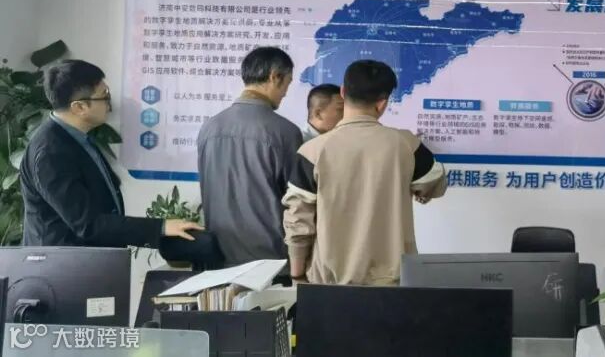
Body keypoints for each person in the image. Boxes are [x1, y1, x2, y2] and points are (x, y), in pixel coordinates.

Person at [283, 60, 447, 285]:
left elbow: (297, 223)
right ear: (382, 103)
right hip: (392, 284)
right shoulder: (407, 145)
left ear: (343, 92)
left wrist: (297, 275)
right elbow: (436, 184)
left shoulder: (311, 152)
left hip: (328, 285)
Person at [20, 60, 202, 247]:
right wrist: (160, 228)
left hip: (88, 258)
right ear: (79, 107)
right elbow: (88, 224)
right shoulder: (50, 153)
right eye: (104, 96)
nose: (110, 103)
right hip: (64, 262)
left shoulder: (75, 138)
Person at [198, 47, 303, 267]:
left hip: (216, 260)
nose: (285, 93)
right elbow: (297, 203)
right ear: (275, 77)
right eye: (287, 83)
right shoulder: (285, 132)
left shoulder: (209, 128)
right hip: (269, 262)